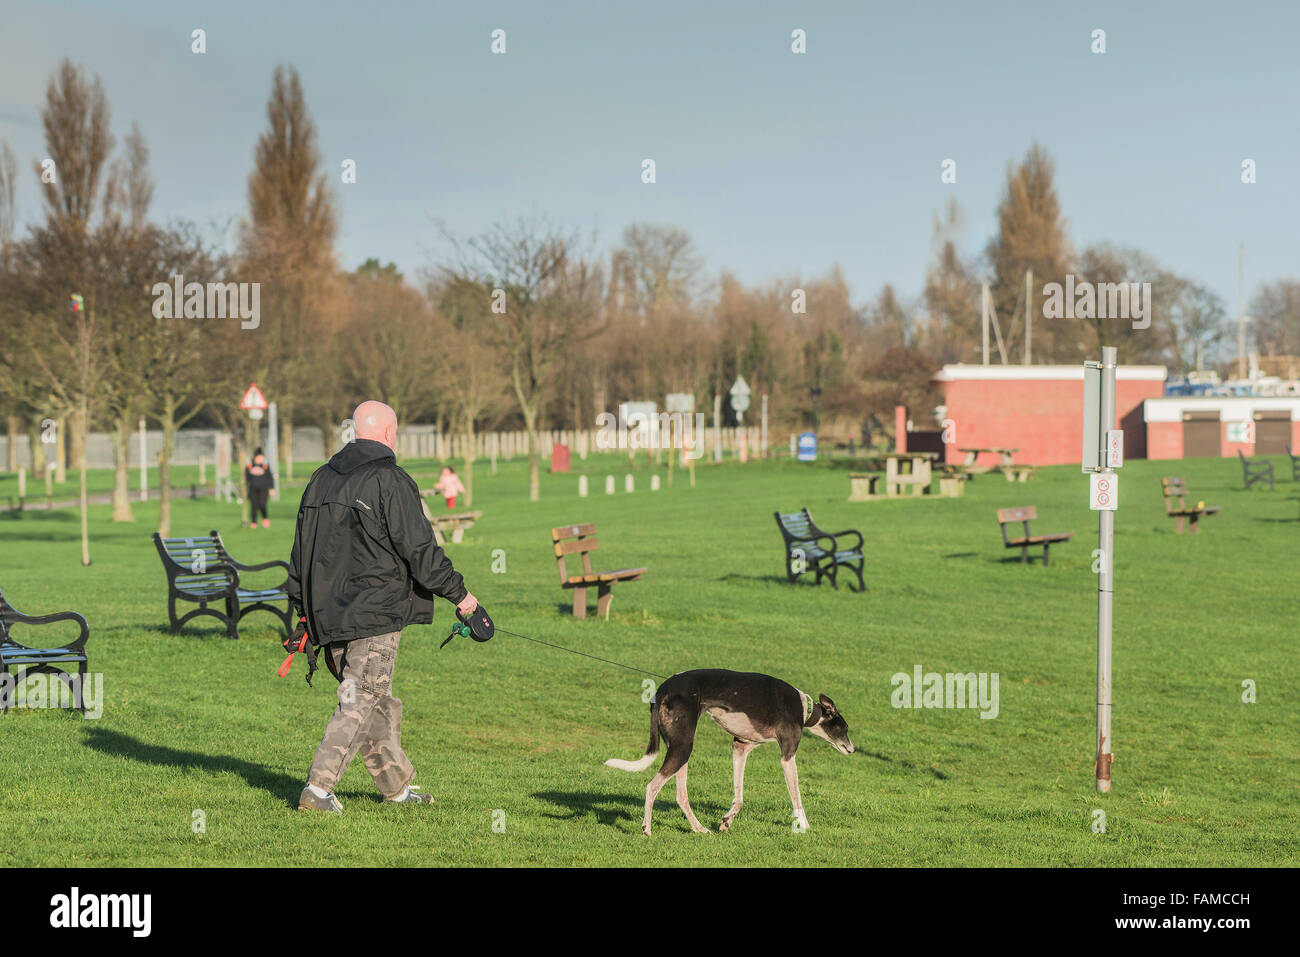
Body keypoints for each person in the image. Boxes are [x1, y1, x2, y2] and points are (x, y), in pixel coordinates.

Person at [288, 400, 478, 813]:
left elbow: (300, 553)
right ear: (390, 434)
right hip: (374, 613)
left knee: (376, 701)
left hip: (328, 614)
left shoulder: (321, 479)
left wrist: (301, 612)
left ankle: (396, 789)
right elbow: (422, 551)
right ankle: (317, 790)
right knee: (361, 699)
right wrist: (462, 598)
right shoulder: (391, 480)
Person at [244, 449, 275, 528]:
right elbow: (246, 478)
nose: (260, 459)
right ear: (255, 457)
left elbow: (269, 478)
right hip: (253, 489)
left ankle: (265, 518)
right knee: (254, 505)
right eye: (259, 457)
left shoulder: (265, 466)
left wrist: (271, 488)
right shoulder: (249, 466)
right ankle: (254, 522)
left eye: (262, 458)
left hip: (263, 489)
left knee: (262, 504)